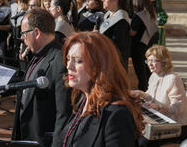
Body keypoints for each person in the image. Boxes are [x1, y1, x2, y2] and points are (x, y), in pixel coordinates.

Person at [61, 31, 143, 147]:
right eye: (68, 59)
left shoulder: (117, 113)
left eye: (78, 61)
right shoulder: (82, 100)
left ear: (98, 66)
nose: (69, 66)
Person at [12, 8, 72, 147]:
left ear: (37, 33)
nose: (22, 38)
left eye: (23, 33)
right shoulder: (37, 53)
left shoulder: (60, 61)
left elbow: (64, 113)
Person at [131, 45, 187, 147]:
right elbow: (151, 97)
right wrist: (141, 93)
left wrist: (158, 107)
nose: (150, 64)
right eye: (148, 61)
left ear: (164, 62)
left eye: (153, 61)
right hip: (161, 119)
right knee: (134, 132)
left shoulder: (173, 79)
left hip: (177, 125)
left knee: (144, 142)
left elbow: (178, 109)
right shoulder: (154, 76)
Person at [130, 0, 158, 92]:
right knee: (148, 70)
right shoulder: (151, 12)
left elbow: (133, 32)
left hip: (138, 47)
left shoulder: (139, 15)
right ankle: (151, 90)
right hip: (149, 45)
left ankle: (144, 93)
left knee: (141, 72)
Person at [98, 0, 130, 70]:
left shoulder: (121, 19)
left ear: (115, 1)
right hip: (103, 58)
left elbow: (117, 44)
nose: (102, 0)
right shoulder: (106, 14)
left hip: (115, 62)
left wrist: (98, 37)